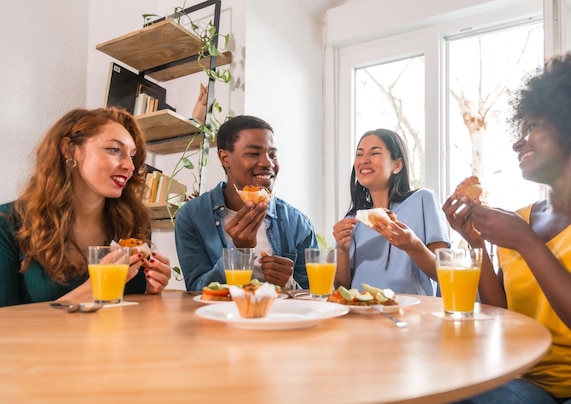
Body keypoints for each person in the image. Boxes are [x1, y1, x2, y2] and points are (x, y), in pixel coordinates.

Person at [428, 51, 571, 404]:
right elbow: (502, 315)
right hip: (528, 379)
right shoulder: (519, 219)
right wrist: (477, 245)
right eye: (518, 132)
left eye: (533, 126)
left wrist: (527, 242)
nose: (519, 142)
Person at [0, 107, 172, 307]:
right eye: (114, 150)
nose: (130, 166)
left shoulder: (134, 223)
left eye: (132, 156)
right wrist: (94, 289)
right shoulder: (7, 223)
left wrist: (150, 291)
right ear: (69, 149)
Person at [174, 115, 318, 291]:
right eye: (254, 153)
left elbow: (315, 295)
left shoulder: (297, 222)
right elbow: (196, 290)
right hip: (219, 316)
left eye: (273, 155)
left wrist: (288, 283)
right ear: (225, 158)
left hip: (279, 316)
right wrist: (239, 251)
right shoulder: (191, 216)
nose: (268, 163)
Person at [332, 128, 449, 295]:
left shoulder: (423, 200)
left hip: (412, 314)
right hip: (362, 313)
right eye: (359, 154)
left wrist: (413, 245)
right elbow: (342, 286)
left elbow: (446, 272)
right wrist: (342, 250)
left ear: (397, 165)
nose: (364, 160)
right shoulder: (353, 219)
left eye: (374, 153)